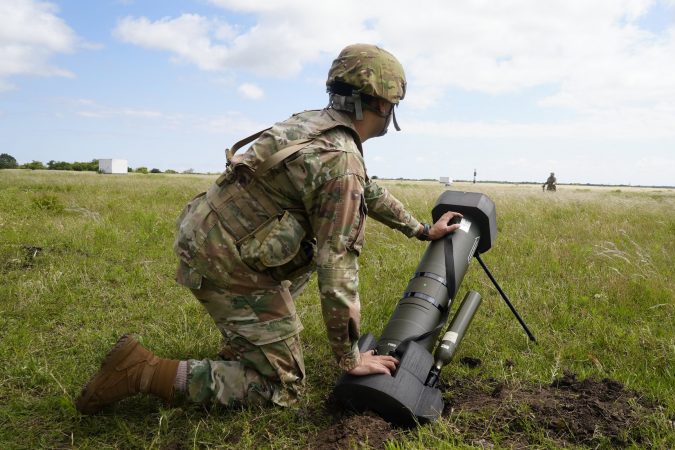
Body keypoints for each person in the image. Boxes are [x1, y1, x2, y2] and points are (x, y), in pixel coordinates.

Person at [75, 44, 462, 414]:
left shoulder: (313, 123)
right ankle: (140, 370)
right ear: (381, 103)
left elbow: (367, 190)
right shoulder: (339, 159)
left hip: (210, 238)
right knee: (284, 389)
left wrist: (421, 230)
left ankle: (248, 339)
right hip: (227, 263)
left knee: (296, 259)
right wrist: (350, 356)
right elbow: (337, 266)